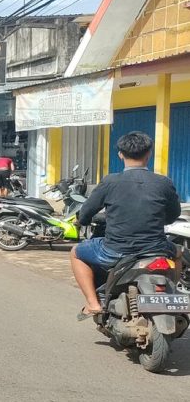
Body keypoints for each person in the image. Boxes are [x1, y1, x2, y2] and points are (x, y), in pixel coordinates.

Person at [72, 131, 180, 320]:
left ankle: (93, 303)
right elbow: (173, 215)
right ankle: (169, 292)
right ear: (149, 153)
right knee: (178, 253)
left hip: (115, 251)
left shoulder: (110, 181)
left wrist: (82, 220)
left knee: (76, 252)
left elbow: (86, 212)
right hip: (156, 249)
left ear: (120, 154)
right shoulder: (164, 182)